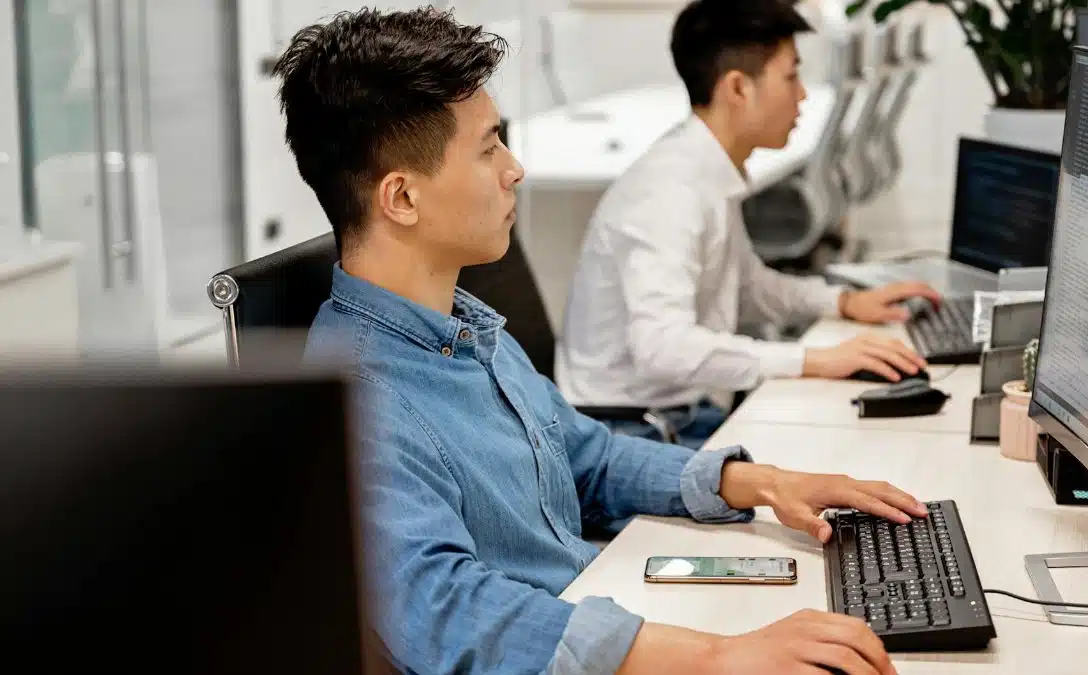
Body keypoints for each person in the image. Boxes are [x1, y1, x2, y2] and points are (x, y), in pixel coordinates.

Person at [283, 6, 921, 675]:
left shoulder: (468, 327)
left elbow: (587, 458)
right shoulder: (358, 404)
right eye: (489, 146)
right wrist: (716, 656)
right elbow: (448, 612)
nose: (514, 168)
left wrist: (762, 482)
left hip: (607, 598)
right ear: (402, 198)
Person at [557, 0, 940, 447]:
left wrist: (843, 303)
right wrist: (812, 358)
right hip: (628, 432)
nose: (802, 96)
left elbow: (745, 285)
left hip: (676, 413)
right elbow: (663, 349)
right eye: (791, 76)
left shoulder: (707, 168)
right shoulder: (669, 194)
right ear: (738, 88)